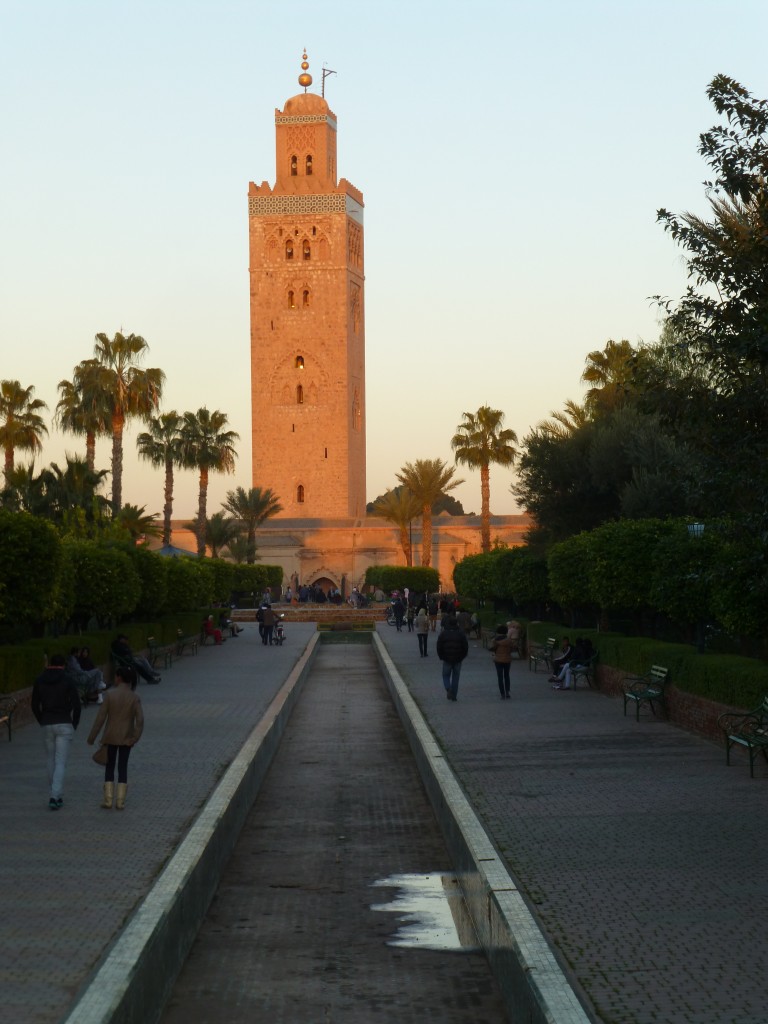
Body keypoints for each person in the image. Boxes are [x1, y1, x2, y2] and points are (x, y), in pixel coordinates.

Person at [87, 664, 144, 810]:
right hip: (127, 738)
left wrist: (92, 737)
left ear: (119, 678)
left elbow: (100, 719)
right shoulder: (134, 697)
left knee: (109, 767)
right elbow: (140, 720)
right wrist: (135, 737)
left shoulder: (110, 695)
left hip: (110, 736)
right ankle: (120, 801)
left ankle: (108, 800)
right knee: (123, 767)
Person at [31, 654, 81, 810]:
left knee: (50, 760)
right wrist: (74, 724)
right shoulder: (67, 679)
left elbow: (34, 704)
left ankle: (55, 794)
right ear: (64, 665)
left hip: (47, 723)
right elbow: (77, 704)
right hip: (64, 722)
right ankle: (54, 795)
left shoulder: (39, 680)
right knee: (60, 762)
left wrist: (42, 720)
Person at [436, 615, 469, 702]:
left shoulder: (444, 633)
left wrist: (441, 656)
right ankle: (454, 695)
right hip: (458, 658)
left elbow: (439, 646)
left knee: (445, 675)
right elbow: (465, 646)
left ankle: (448, 688)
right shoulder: (461, 633)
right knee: (456, 677)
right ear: (457, 623)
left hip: (446, 658)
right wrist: (463, 656)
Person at [489, 625, 515, 699]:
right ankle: (507, 692)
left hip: (498, 660)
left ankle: (502, 693)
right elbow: (512, 649)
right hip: (507, 659)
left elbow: (491, 648)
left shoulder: (495, 640)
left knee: (500, 677)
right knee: (506, 676)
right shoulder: (509, 641)